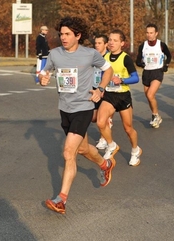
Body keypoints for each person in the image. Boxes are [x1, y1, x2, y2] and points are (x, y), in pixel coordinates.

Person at [38, 17, 115, 214]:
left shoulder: (90, 54)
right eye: (61, 34)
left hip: (84, 108)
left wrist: (100, 89)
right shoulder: (54, 54)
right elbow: (43, 72)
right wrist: (43, 78)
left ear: (77, 36)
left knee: (68, 152)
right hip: (65, 109)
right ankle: (105, 164)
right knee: (82, 150)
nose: (63, 37)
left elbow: (108, 70)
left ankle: (61, 199)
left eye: (67, 34)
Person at [96, 29, 141, 166]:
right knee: (100, 122)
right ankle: (111, 145)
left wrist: (121, 80)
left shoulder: (125, 58)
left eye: (115, 40)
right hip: (109, 95)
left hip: (123, 96)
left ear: (122, 43)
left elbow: (135, 78)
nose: (111, 42)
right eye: (109, 40)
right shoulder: (105, 58)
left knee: (128, 128)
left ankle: (135, 150)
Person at [136, 23, 172, 128]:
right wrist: (139, 63)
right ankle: (155, 115)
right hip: (147, 72)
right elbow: (138, 59)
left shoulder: (161, 44)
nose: (149, 35)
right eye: (147, 33)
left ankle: (155, 115)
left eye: (151, 33)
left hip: (157, 72)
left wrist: (166, 65)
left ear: (156, 33)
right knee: (148, 96)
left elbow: (169, 56)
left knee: (150, 95)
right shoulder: (143, 45)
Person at [92, 35, 113, 150]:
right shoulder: (93, 56)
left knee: (102, 118)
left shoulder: (109, 57)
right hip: (95, 89)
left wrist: (104, 87)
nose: (96, 45)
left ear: (105, 44)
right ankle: (107, 125)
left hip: (106, 91)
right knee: (94, 118)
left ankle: (103, 138)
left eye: (99, 43)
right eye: (95, 43)